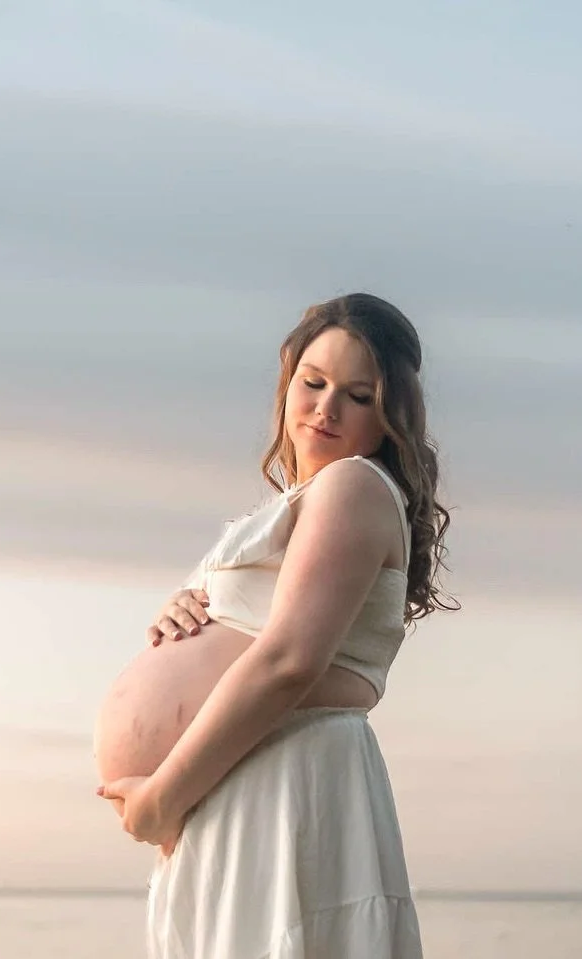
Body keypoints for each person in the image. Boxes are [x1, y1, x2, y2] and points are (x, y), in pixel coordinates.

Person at [98, 292, 457, 958]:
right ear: (288, 383)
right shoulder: (308, 499)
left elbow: (290, 659)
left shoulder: (353, 485)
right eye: (313, 383)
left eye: (358, 395)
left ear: (390, 416)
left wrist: (160, 801)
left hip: (279, 777)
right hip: (235, 778)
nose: (326, 408)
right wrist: (183, 609)